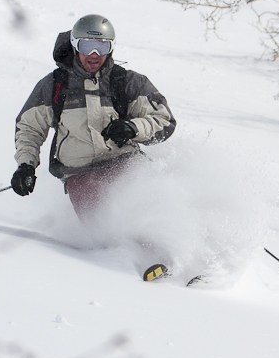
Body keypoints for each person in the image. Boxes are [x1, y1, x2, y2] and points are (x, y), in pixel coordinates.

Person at [11, 14, 176, 220]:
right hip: (81, 175)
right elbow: (29, 128)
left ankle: (182, 245)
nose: (95, 54)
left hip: (125, 163)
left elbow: (164, 120)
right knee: (106, 226)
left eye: (103, 47)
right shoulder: (54, 85)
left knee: (156, 212)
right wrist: (26, 166)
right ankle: (114, 249)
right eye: (87, 46)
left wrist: (133, 128)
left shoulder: (126, 82)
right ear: (75, 45)